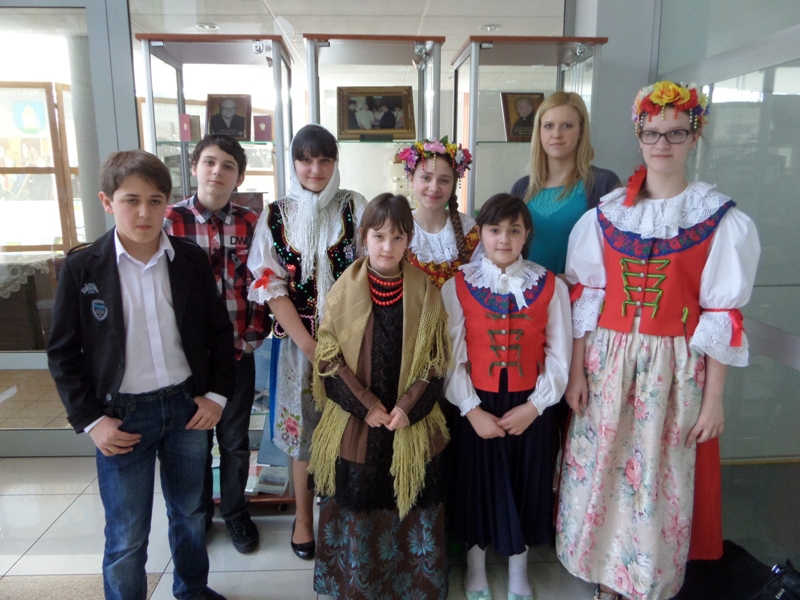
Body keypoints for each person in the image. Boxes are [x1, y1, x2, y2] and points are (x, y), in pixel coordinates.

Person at [556, 81, 761, 600]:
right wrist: (576, 373)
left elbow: (721, 316)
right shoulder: (606, 216)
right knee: (603, 467)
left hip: (674, 367)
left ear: (695, 136)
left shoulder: (719, 219)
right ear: (639, 136)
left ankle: (643, 578)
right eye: (652, 133)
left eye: (675, 133)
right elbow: (587, 302)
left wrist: (714, 400)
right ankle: (605, 575)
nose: (662, 144)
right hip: (607, 360)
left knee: (654, 476)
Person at [47, 150, 234, 600]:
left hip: (186, 408)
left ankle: (192, 590)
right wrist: (92, 421)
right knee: (127, 532)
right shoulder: (83, 267)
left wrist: (216, 395)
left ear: (169, 203)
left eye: (155, 201)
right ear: (107, 202)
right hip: (121, 416)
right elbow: (63, 353)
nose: (145, 213)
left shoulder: (188, 260)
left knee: (191, 514)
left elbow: (218, 332)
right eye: (131, 200)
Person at [309, 193, 452, 599]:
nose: (387, 247)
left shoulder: (426, 291)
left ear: (409, 241)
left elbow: (435, 361)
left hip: (410, 420)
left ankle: (411, 586)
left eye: (398, 237)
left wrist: (407, 408)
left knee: (412, 495)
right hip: (357, 420)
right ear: (364, 237)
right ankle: (357, 586)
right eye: (379, 236)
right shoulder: (343, 290)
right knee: (360, 495)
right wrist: (366, 405)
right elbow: (327, 356)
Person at [443, 193, 572, 600]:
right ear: (480, 233)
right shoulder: (457, 285)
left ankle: (519, 570)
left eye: (513, 230)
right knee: (476, 484)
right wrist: (471, 410)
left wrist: (536, 406)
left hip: (530, 406)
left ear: (526, 234)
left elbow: (560, 355)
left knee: (527, 483)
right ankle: (476, 569)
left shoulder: (550, 285)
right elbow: (450, 358)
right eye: (494, 229)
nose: (503, 239)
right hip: (475, 405)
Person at [247, 124, 367, 560]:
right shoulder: (275, 215)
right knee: (303, 434)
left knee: (351, 428)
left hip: (353, 342)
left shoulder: (355, 205)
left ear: (335, 162)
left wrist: (347, 340)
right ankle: (302, 518)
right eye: (306, 160)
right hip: (298, 346)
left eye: (324, 160)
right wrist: (311, 345)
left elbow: (372, 271)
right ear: (293, 162)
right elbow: (271, 285)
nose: (315, 169)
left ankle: (342, 515)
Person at [164, 134, 268, 554]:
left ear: (239, 177)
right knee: (193, 444)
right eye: (209, 162)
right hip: (186, 359)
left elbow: (265, 283)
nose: (217, 172)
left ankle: (236, 511)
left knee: (235, 441)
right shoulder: (169, 221)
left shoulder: (252, 223)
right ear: (194, 167)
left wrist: (253, 337)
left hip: (236, 352)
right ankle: (200, 513)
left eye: (228, 166)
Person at [511, 91, 620, 276]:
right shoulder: (522, 188)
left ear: (581, 131)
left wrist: (572, 280)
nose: (556, 134)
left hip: (579, 294)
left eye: (567, 126)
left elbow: (617, 254)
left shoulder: (603, 184)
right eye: (548, 126)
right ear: (539, 131)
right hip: (527, 292)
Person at [397, 138, 480, 288]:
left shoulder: (470, 231)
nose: (434, 187)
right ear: (411, 179)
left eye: (444, 181)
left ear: (453, 184)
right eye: (426, 178)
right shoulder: (398, 228)